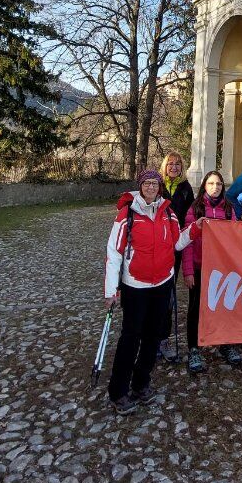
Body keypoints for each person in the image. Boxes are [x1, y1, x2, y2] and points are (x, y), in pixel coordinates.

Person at [104, 170, 196, 414]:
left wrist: (195, 230)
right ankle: (118, 391)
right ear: (140, 186)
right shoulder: (127, 214)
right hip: (135, 285)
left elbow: (177, 242)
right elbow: (114, 252)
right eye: (147, 184)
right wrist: (111, 289)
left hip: (162, 283)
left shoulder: (168, 212)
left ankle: (141, 383)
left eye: (155, 184)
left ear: (160, 187)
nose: (151, 187)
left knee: (153, 336)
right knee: (130, 338)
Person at [182, 171, 242, 372]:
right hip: (201, 266)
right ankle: (194, 348)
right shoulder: (196, 208)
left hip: (221, 268)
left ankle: (225, 343)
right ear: (205, 186)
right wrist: (188, 271)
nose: (215, 187)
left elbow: (235, 238)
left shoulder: (228, 209)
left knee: (223, 307)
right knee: (196, 308)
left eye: (218, 184)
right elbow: (187, 241)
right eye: (211, 183)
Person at [157, 152, 195, 362]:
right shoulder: (157, 186)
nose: (173, 167)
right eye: (170, 164)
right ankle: (151, 339)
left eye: (177, 164)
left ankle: (163, 338)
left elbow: (189, 216)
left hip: (176, 245)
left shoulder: (185, 188)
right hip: (156, 245)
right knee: (155, 292)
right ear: (164, 166)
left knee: (169, 291)